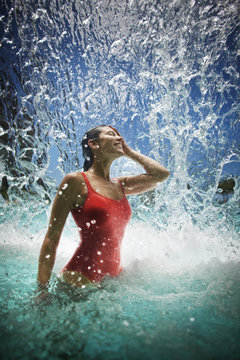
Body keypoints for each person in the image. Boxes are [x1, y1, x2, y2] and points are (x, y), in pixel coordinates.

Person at [37, 125, 170, 291]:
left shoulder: (121, 185)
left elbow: (161, 175)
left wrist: (129, 152)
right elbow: (52, 238)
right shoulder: (75, 181)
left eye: (118, 136)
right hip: (80, 277)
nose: (119, 138)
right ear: (94, 144)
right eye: (111, 134)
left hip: (111, 280)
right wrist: (41, 290)